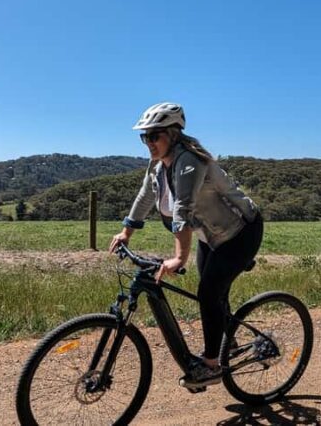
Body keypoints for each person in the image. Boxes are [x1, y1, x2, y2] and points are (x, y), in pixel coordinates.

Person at [109, 102, 263, 389]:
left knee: (208, 293)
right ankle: (228, 344)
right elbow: (145, 196)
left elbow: (184, 206)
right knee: (214, 292)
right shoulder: (158, 165)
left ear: (172, 134)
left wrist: (179, 257)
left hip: (241, 232)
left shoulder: (190, 161)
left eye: (154, 135)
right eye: (144, 137)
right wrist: (126, 232)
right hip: (211, 235)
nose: (149, 142)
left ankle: (211, 365)